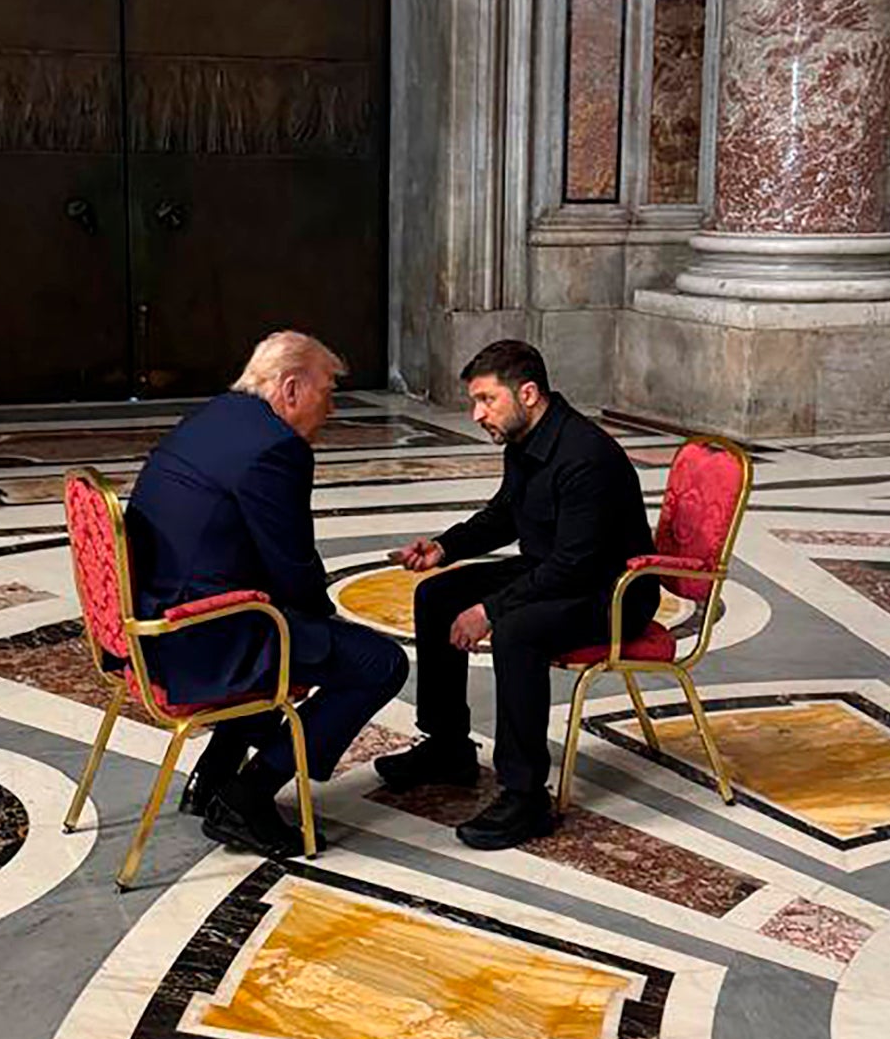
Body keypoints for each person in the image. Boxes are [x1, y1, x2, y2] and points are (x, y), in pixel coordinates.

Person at [125, 330, 409, 857]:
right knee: (379, 663)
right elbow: (292, 566)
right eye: (327, 392)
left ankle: (213, 775)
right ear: (291, 388)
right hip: (201, 638)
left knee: (291, 629)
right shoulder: (276, 448)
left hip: (154, 622)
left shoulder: (214, 417)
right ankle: (247, 795)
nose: (331, 409)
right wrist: (326, 628)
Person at [375, 339, 657, 849]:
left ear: (527, 393)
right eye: (475, 401)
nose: (477, 414)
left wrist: (489, 610)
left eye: (487, 400)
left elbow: (575, 566)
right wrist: (445, 547)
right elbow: (505, 514)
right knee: (436, 596)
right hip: (555, 570)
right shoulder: (526, 440)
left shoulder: (586, 457)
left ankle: (525, 796)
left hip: (611, 592)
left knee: (517, 631)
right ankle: (447, 747)